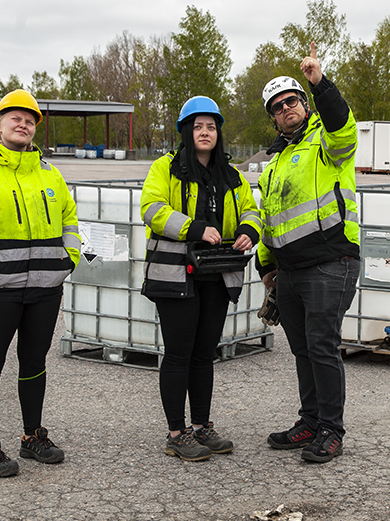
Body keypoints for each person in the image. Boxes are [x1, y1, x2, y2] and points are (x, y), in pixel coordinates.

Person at [0, 89, 81, 477]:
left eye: (30, 119)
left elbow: (70, 221)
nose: (23, 124)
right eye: (15, 118)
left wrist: (67, 259)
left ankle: (31, 436)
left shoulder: (50, 174)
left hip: (44, 290)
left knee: (34, 362)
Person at [141, 96, 262, 462]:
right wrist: (193, 228)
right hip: (176, 273)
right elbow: (151, 208)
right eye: (198, 126)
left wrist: (248, 230)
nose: (205, 132)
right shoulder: (166, 168)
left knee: (204, 354)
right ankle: (176, 433)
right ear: (185, 131)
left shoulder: (232, 175)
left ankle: (201, 426)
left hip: (215, 274)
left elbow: (252, 210)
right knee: (179, 353)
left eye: (211, 127)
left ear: (218, 132)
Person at [256, 44, 360, 463]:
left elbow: (342, 122)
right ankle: (311, 421)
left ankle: (332, 430)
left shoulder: (327, 141)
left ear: (304, 102)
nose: (286, 109)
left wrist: (320, 83)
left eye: (292, 100)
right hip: (290, 270)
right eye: (277, 107)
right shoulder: (275, 161)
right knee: (303, 349)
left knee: (322, 345)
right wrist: (266, 267)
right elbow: (270, 218)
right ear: (274, 117)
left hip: (330, 262)